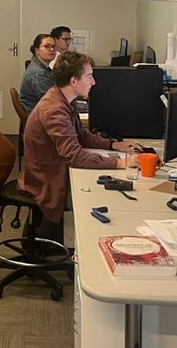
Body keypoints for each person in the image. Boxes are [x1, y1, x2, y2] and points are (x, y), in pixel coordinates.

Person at [20, 51, 148, 239]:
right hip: (47, 178)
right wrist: (121, 163)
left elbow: (81, 135)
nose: (93, 82)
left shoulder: (64, 98)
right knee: (102, 196)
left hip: (52, 168)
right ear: (73, 81)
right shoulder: (54, 109)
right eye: (89, 76)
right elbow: (76, 156)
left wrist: (113, 145)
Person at [19, 33, 56, 113]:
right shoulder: (39, 73)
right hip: (40, 116)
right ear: (37, 50)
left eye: (53, 46)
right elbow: (53, 101)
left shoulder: (41, 67)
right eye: (47, 46)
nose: (52, 49)